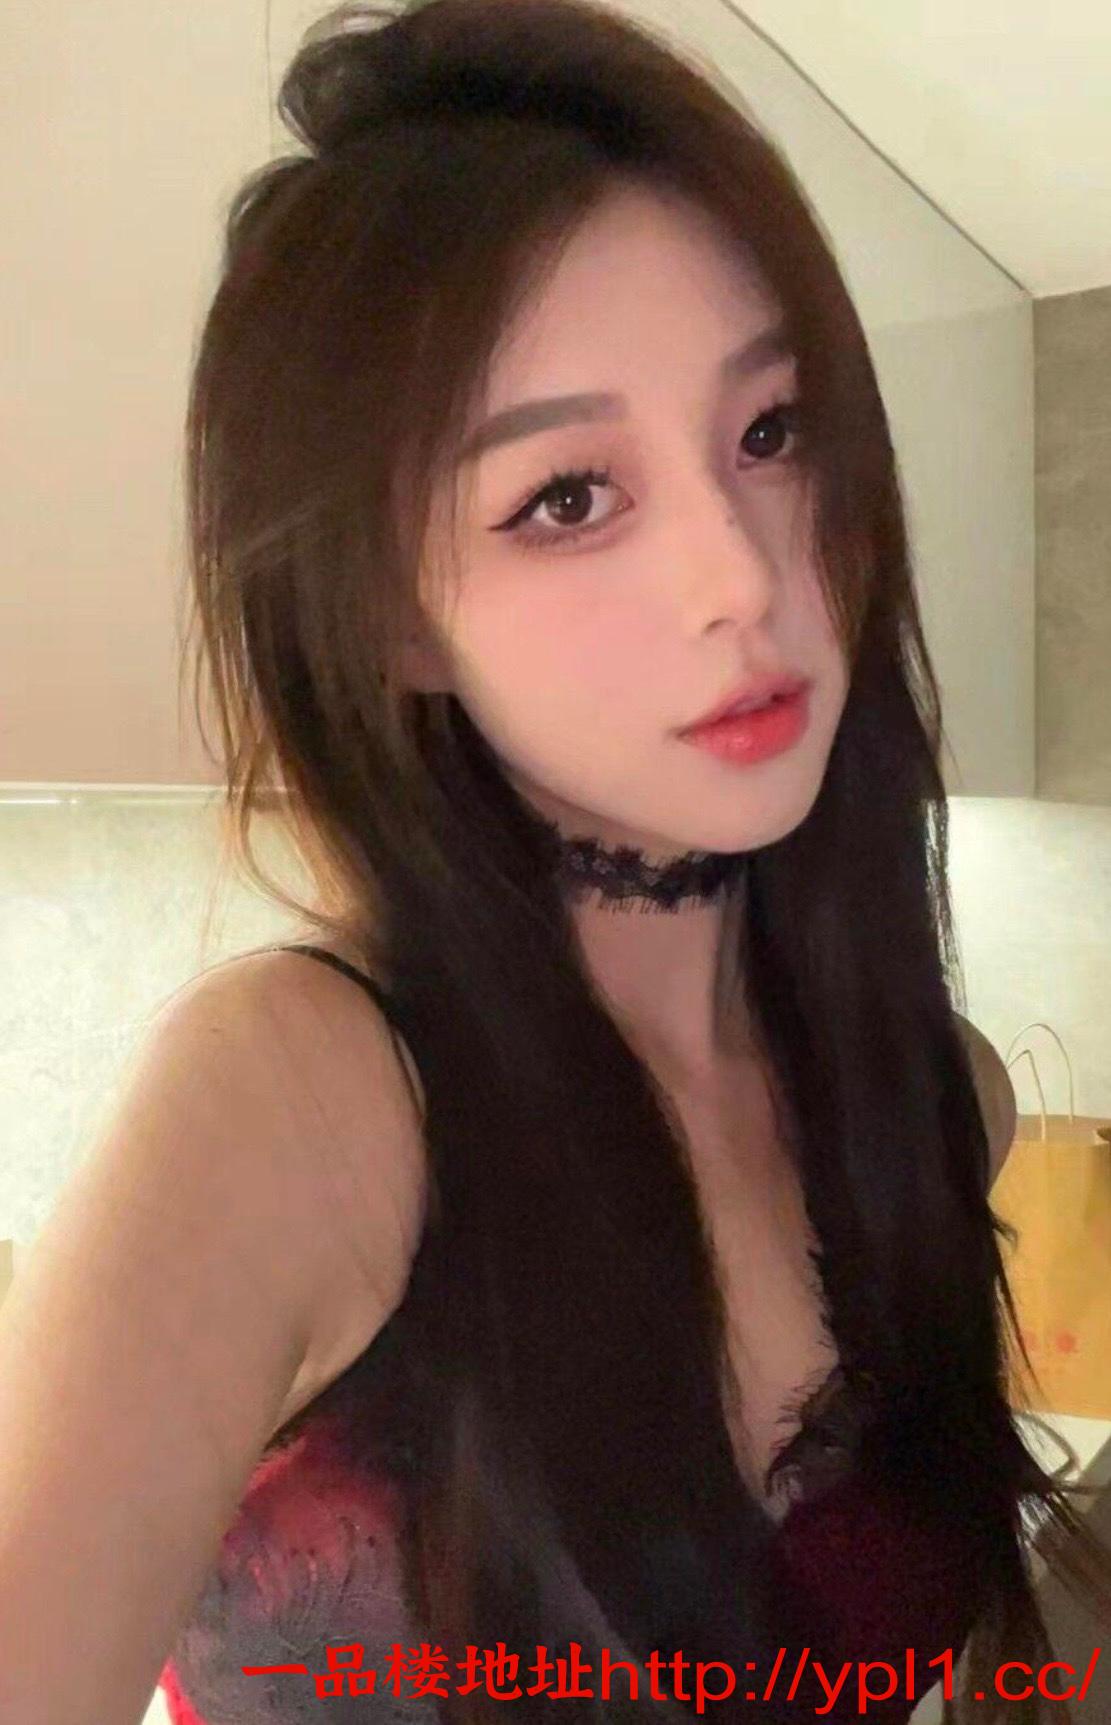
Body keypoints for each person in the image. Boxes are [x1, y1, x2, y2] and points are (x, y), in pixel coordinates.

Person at [4, 1, 1111, 1721]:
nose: (741, 575)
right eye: (569, 498)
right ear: (393, 618)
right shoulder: (303, 1103)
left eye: (772, 431)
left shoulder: (933, 1095)